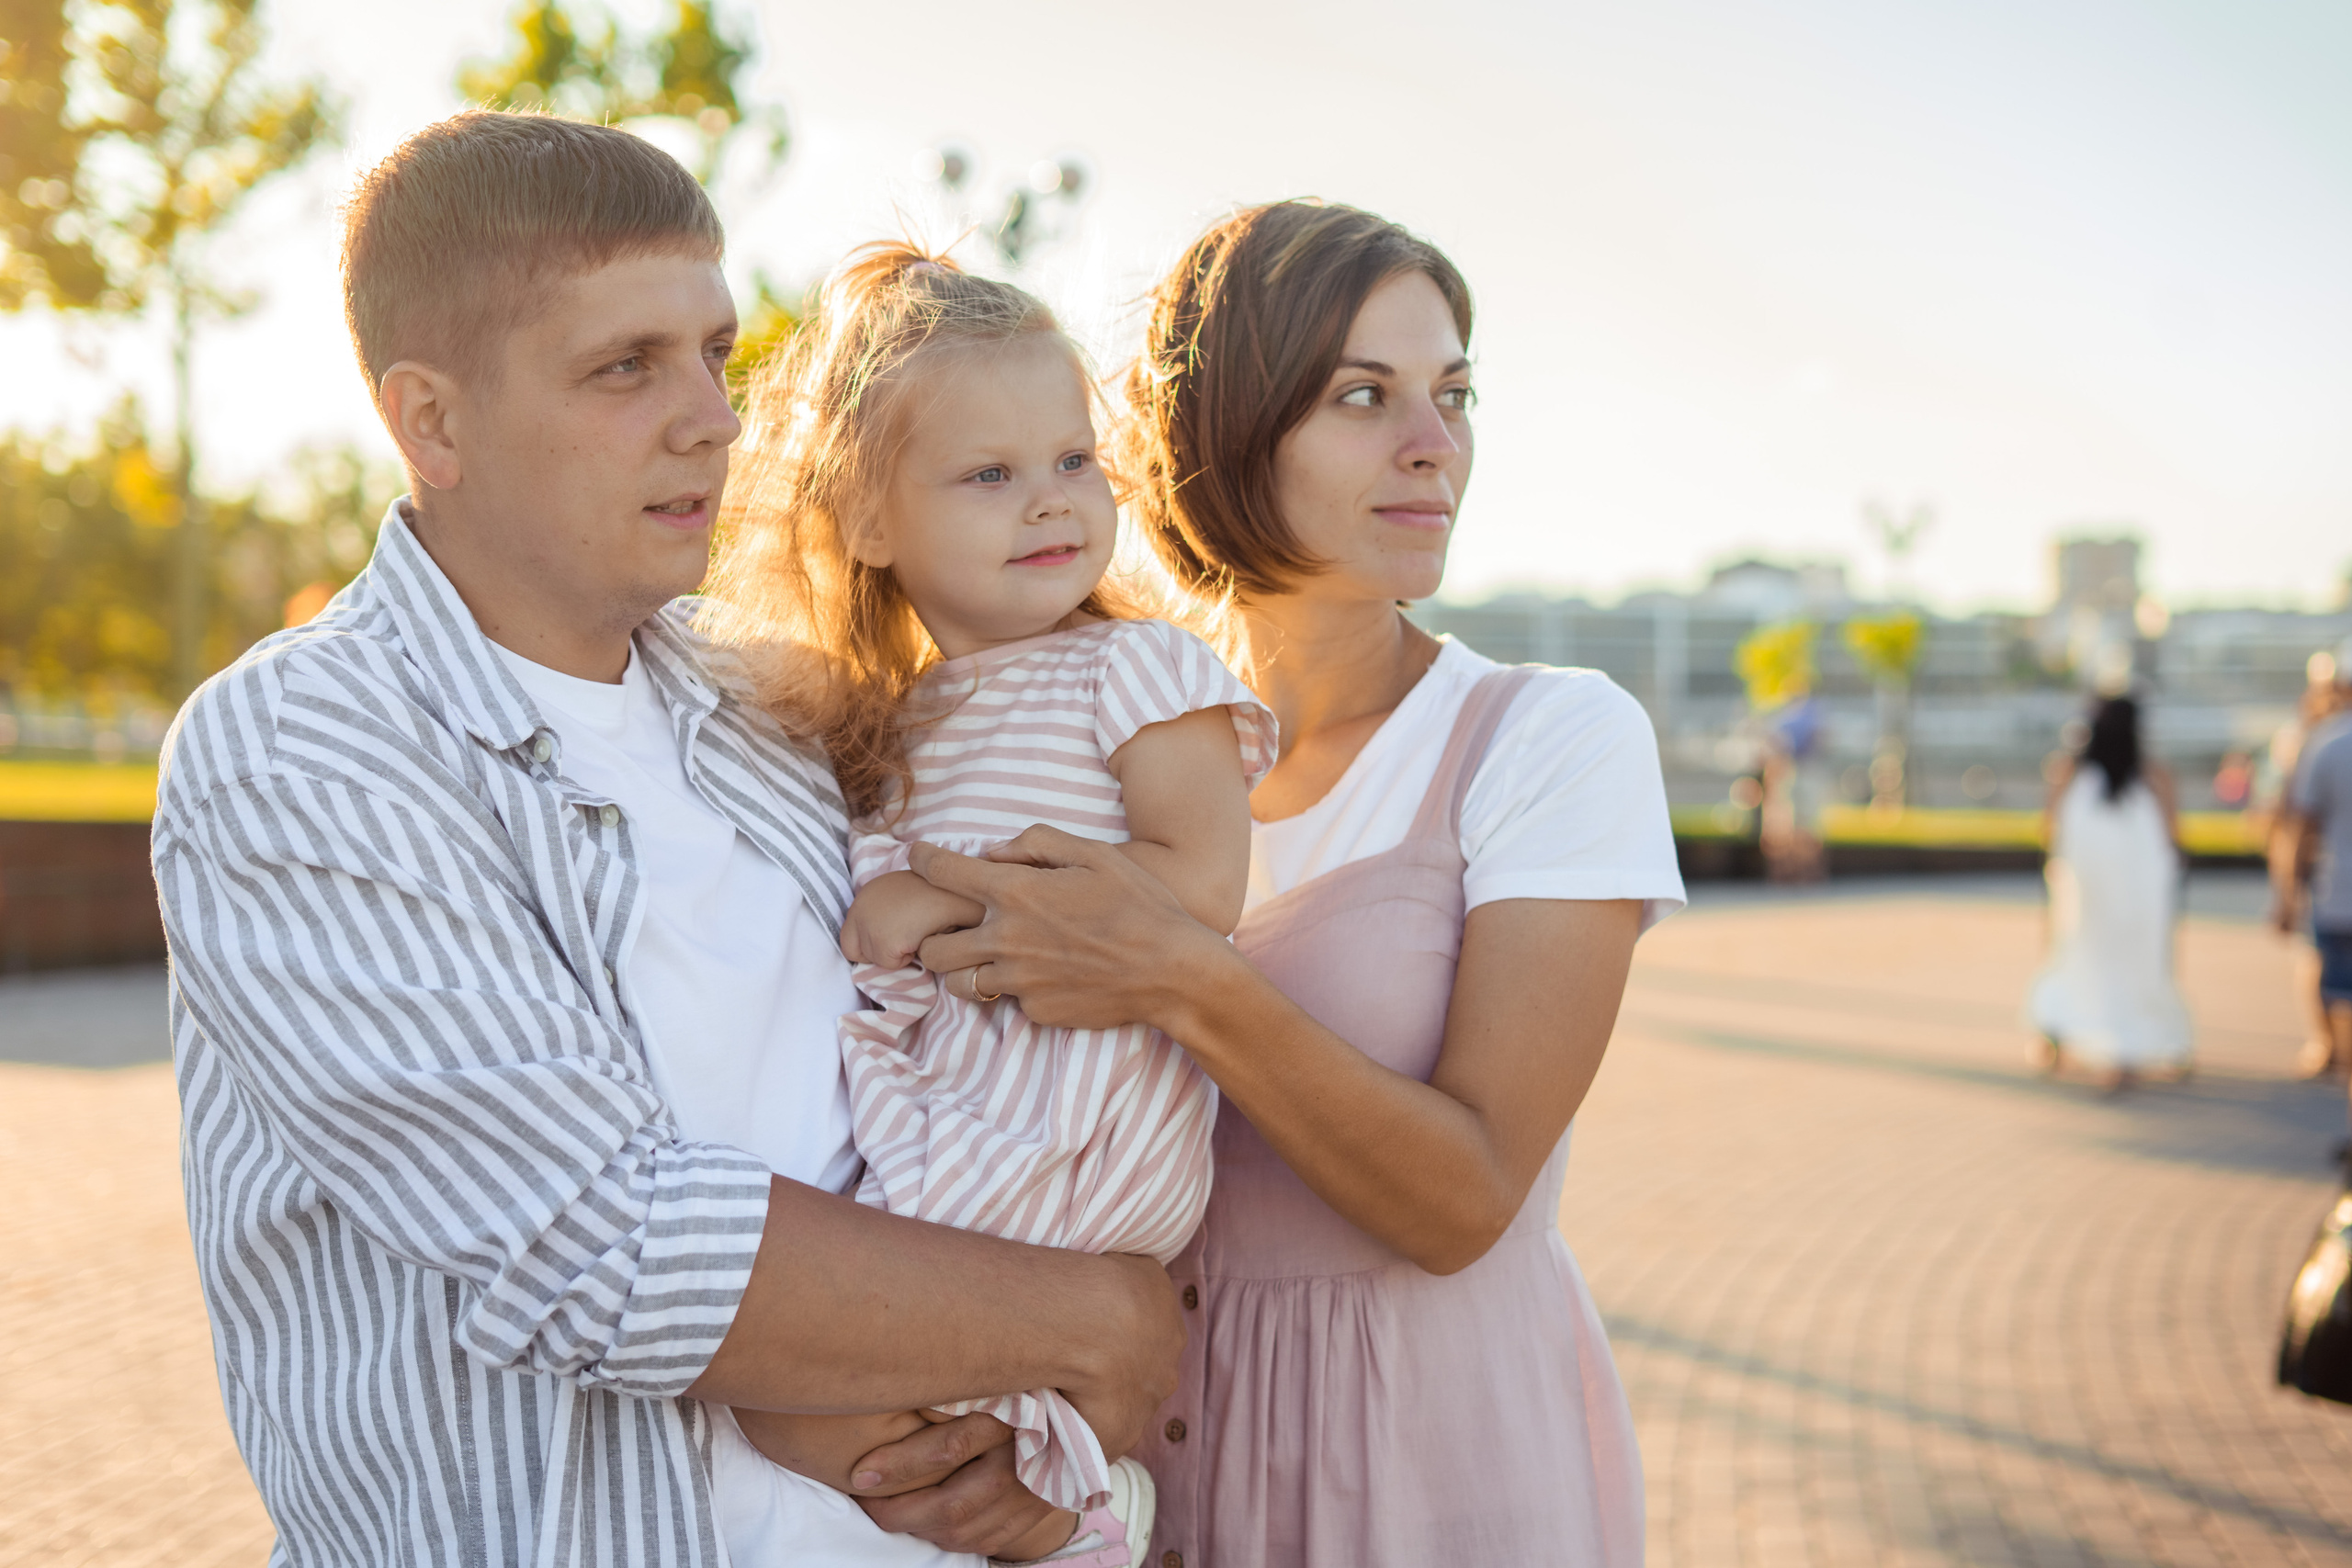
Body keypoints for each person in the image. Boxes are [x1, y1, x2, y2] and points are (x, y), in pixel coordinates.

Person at [150, 112, 1178, 1568]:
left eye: (715, 349)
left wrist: (1030, 1464)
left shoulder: (771, 702)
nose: (712, 415)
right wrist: (1101, 1316)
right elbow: (606, 1244)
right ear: (430, 420)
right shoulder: (303, 747)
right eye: (625, 366)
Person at [903, 200, 1686, 1565]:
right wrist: (1006, 1430)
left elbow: (1466, 1196)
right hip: (1124, 1492)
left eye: (1452, 393)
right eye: (1362, 395)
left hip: (1432, 1485)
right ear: (1224, 428)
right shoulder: (1076, 735)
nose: (1434, 442)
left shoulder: (1549, 735)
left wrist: (1180, 976)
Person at [697, 247, 1276, 1567]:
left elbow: (1204, 883)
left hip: (1075, 1116)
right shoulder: (890, 718)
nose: (1050, 503)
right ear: (867, 520)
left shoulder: (1135, 667)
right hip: (967, 1110)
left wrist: (958, 916)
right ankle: (1052, 1505)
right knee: (808, 1406)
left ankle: (1087, 1513)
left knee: (824, 1389)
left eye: (1075, 461)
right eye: (991, 474)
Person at [2028, 694, 2194, 1088]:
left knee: (2076, 958)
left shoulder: (2068, 770)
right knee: (2142, 966)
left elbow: (2048, 830)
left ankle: (2064, 1041)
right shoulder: (2154, 774)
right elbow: (2173, 836)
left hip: (2087, 893)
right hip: (2139, 899)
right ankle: (2142, 1048)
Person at [2276, 642, 2352, 1142]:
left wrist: (2285, 893)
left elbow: (2297, 828)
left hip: (2341, 901)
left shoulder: (2326, 742)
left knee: (2344, 1006)